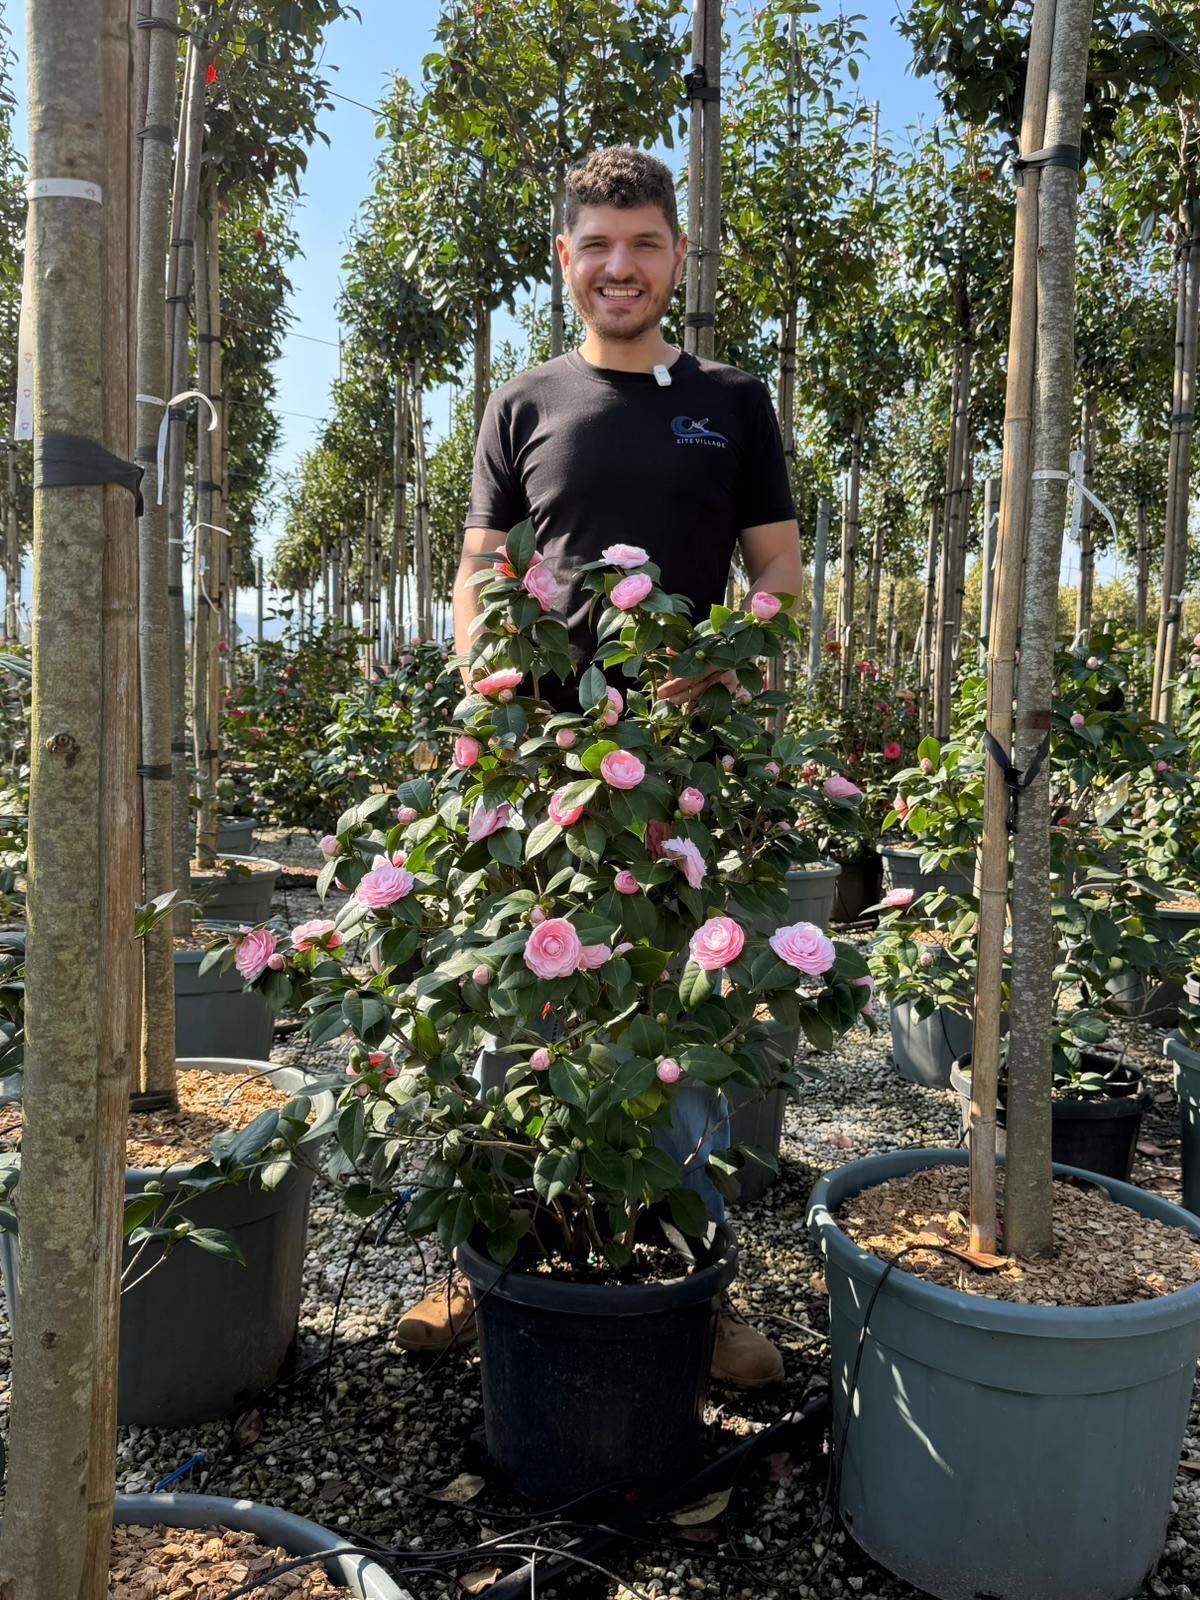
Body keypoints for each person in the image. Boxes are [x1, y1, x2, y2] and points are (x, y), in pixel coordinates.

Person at [397, 147, 804, 1388]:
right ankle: (486, 1254)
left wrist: (726, 660)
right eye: (595, 245)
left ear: (676, 256)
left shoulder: (733, 402)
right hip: (537, 760)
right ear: (567, 261)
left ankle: (694, 1279)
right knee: (510, 996)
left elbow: (779, 576)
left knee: (688, 1014)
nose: (618, 266)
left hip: (683, 760)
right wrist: (480, 665)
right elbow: (479, 565)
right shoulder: (521, 401)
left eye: (642, 244)